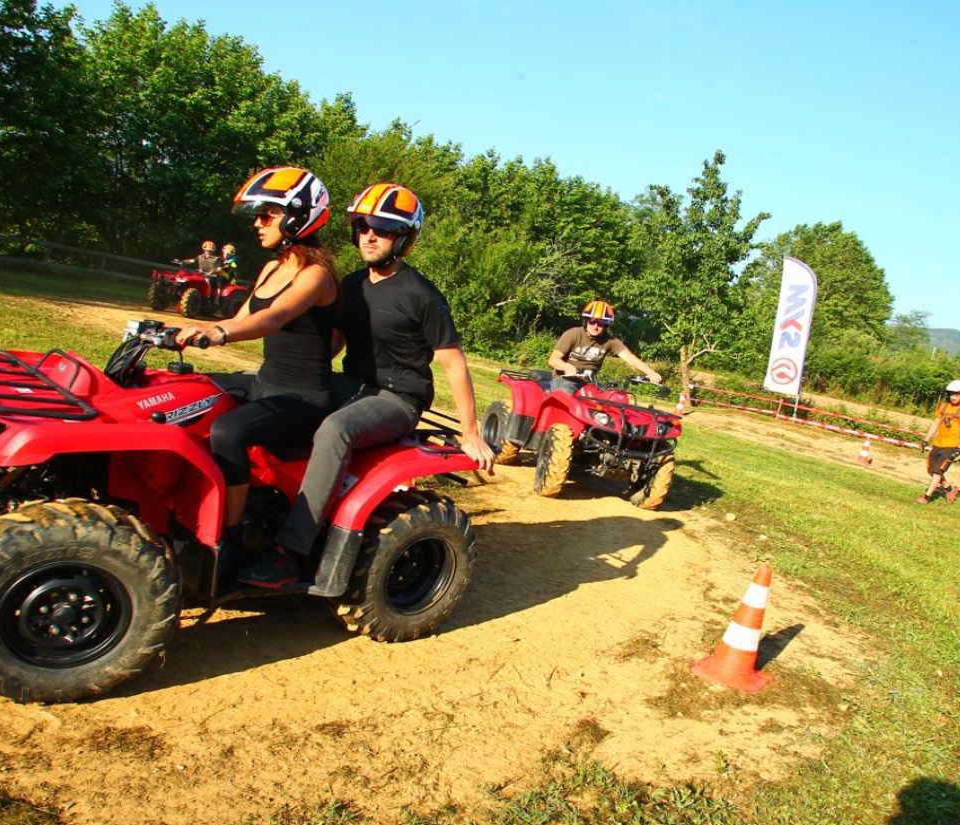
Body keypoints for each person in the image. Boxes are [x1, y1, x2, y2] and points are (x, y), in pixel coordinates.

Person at [237, 181, 495, 588]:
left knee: (335, 430)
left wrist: (471, 433)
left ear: (405, 240)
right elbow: (335, 340)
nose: (369, 235)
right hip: (352, 384)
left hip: (397, 399)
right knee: (269, 393)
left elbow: (454, 364)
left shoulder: (422, 295)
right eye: (362, 226)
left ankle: (291, 551)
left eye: (384, 228)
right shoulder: (352, 284)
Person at [174, 166, 338, 575]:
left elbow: (272, 319)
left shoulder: (316, 275)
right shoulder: (270, 268)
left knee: (228, 431)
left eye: (267, 214)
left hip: (303, 397)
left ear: (299, 217)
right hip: (266, 384)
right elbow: (246, 316)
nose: (257, 222)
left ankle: (225, 545)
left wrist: (216, 333)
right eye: (258, 214)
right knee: (187, 392)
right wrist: (193, 328)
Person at [547, 299, 662, 394]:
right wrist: (568, 367)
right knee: (565, 397)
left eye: (601, 323)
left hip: (589, 382)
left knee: (612, 400)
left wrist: (650, 372)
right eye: (592, 321)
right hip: (565, 380)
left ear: (606, 325)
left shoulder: (610, 341)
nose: (595, 326)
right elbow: (553, 360)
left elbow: (630, 358)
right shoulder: (573, 334)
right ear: (586, 321)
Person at [918, 379, 960, 504]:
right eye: (951, 393)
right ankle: (949, 489)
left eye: (956, 394)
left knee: (938, 471)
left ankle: (927, 496)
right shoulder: (943, 406)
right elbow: (936, 423)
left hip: (952, 445)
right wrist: (926, 439)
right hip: (938, 443)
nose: (953, 397)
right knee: (930, 469)